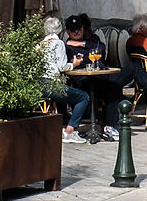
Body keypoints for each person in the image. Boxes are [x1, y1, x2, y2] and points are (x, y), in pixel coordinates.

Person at [47, 12, 113, 142]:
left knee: (113, 88)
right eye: (73, 30)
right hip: (80, 80)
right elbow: (72, 64)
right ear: (67, 31)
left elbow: (102, 48)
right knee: (81, 91)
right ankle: (70, 126)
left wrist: (83, 44)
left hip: (99, 77)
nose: (77, 32)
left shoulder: (91, 40)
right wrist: (85, 57)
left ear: (83, 28)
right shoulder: (65, 46)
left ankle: (109, 126)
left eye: (79, 28)